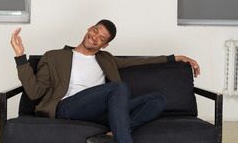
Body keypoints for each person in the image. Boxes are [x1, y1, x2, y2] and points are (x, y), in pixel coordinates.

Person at [11, 19, 200, 143]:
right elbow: (35, 92)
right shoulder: (54, 56)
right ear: (89, 28)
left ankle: (109, 135)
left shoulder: (107, 59)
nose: (94, 38)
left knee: (158, 99)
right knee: (116, 88)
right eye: (95, 31)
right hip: (67, 107)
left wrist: (175, 58)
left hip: (101, 111)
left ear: (105, 44)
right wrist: (20, 57)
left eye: (101, 38)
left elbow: (143, 61)